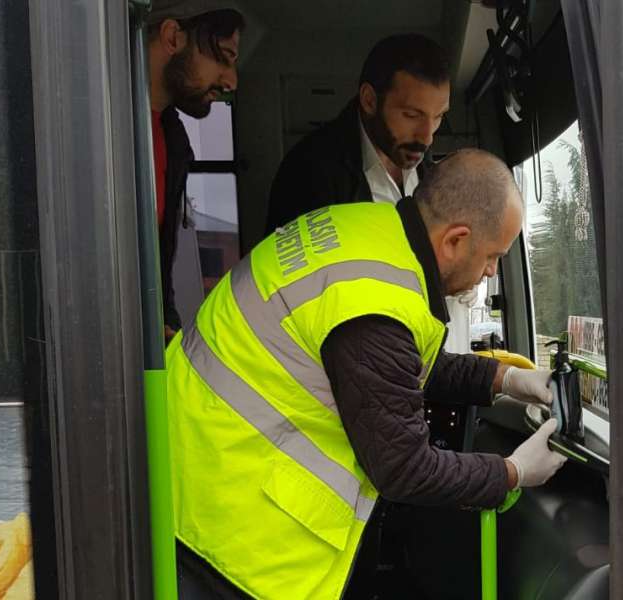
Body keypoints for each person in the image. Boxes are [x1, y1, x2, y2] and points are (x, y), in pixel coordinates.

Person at [168, 149, 567, 599]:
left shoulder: (369, 237)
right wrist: (512, 473)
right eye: (492, 256)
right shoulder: (375, 300)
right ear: (455, 240)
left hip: (197, 466)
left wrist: (505, 381)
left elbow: (398, 368)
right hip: (232, 528)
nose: (491, 271)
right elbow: (404, 468)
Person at [264, 33, 478, 354]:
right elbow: (299, 300)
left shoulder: (429, 176)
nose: (427, 136)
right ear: (368, 100)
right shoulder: (309, 174)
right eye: (411, 115)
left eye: (439, 117)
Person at [146, 0, 245, 341]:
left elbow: (156, 267)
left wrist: (164, 328)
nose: (230, 80)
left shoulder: (173, 139)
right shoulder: (98, 132)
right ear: (173, 38)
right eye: (224, 57)